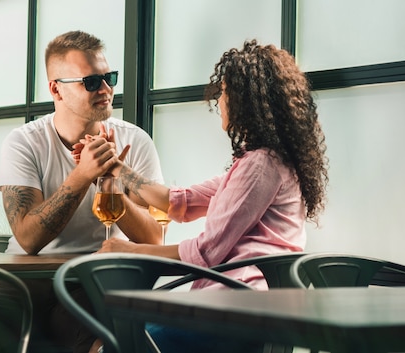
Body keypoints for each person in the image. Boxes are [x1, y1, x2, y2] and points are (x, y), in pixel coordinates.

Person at [83, 39, 329, 353]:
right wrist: (117, 169)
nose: (219, 101)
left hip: (237, 312)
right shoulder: (262, 163)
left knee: (112, 344)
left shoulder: (261, 165)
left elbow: (207, 252)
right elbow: (179, 202)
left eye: (224, 92)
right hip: (246, 308)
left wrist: (127, 250)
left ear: (245, 100)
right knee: (109, 341)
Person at [0, 30, 164, 353]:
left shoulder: (136, 142)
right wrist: (83, 174)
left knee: (96, 340)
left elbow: (155, 239)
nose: (106, 89)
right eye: (91, 82)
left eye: (109, 77)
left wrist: (108, 184)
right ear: (56, 90)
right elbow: (29, 238)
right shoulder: (23, 143)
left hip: (96, 279)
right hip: (27, 281)